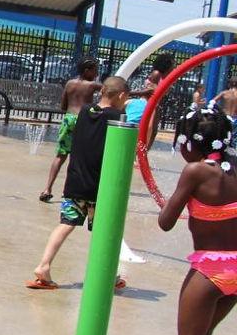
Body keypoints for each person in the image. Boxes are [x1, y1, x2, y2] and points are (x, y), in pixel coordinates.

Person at [154, 106, 237, 335]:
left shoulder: (195, 171)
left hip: (210, 268)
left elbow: (166, 222)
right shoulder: (234, 166)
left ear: (190, 142)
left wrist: (173, 201)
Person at [27, 76, 131, 290]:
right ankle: (108, 275)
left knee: (66, 224)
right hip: (100, 187)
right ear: (121, 96)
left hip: (75, 182)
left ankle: (43, 265)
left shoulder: (85, 111)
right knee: (105, 231)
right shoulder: (119, 116)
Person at [39, 58, 103, 202]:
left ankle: (47, 188)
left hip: (68, 119)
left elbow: (63, 105)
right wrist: (141, 93)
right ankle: (67, 191)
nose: (97, 73)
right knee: (78, 158)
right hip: (82, 121)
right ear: (87, 71)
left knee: (60, 155)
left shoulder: (69, 83)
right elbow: (113, 91)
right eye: (94, 70)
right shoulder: (92, 85)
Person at [125, 53, 174, 149]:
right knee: (150, 128)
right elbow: (151, 90)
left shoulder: (165, 76)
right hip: (148, 103)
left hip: (154, 104)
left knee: (153, 130)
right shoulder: (157, 74)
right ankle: (143, 151)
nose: (174, 67)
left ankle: (145, 152)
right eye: (172, 64)